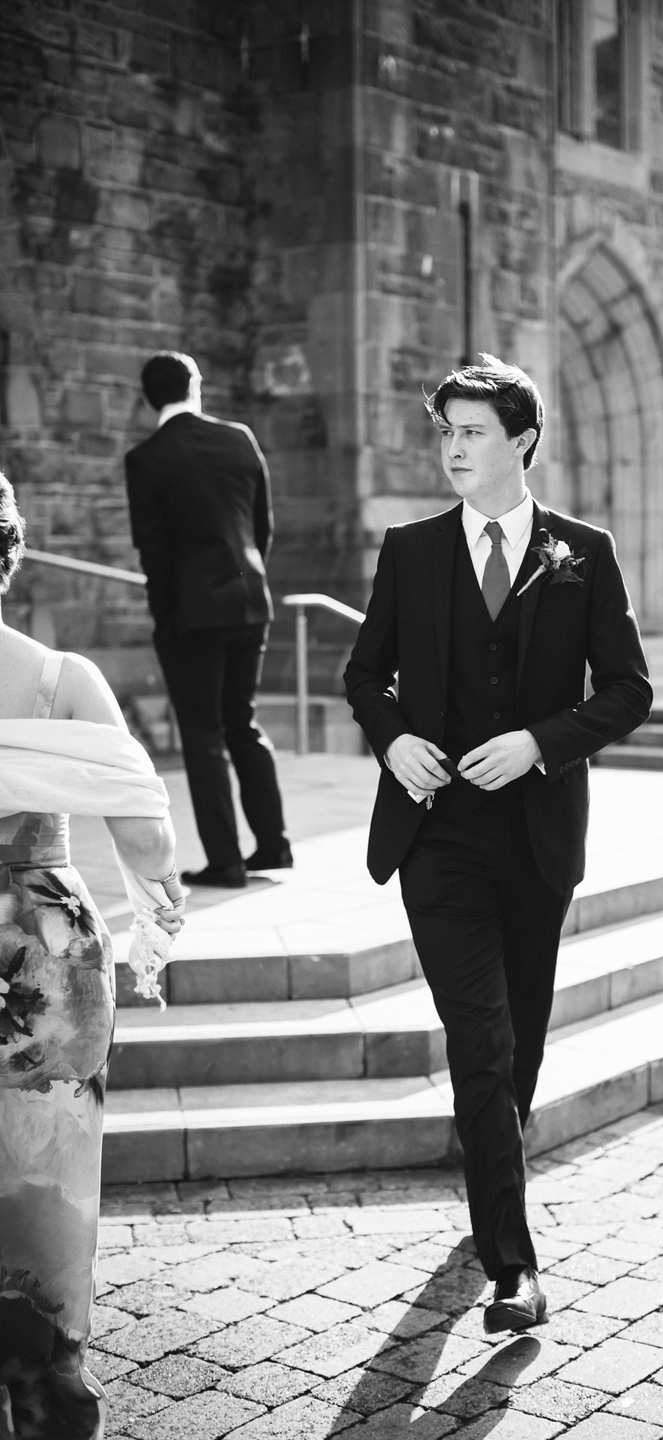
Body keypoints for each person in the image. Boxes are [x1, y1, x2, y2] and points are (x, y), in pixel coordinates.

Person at [344, 355, 652, 1334]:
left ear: (520, 441)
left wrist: (540, 744)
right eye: (443, 433)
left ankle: (492, 1179)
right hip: (436, 840)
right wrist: (395, 743)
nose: (451, 449)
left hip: (536, 837)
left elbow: (628, 689)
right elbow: (364, 677)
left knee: (517, 1040)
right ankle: (513, 1268)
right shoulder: (411, 550)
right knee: (479, 1040)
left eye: (470, 432)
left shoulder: (583, 552)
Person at [0, 472, 184, 1438]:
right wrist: (161, 890)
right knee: (49, 1160)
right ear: (13, 554)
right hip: (44, 950)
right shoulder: (61, 678)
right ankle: (46, 1381)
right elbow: (146, 841)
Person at [125, 351, 291, 888]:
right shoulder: (239, 437)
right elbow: (263, 525)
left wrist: (164, 619)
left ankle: (226, 862)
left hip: (191, 615)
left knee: (203, 734)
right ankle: (274, 847)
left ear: (148, 398)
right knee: (242, 722)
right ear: (195, 385)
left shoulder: (146, 459)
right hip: (249, 602)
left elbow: (152, 550)